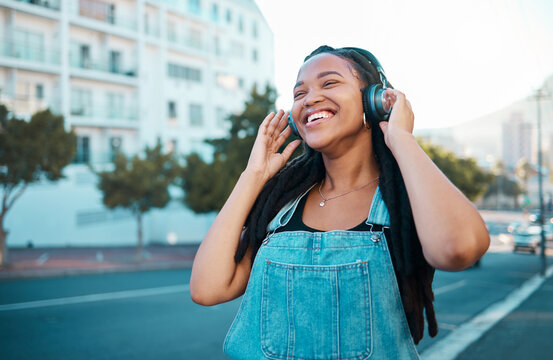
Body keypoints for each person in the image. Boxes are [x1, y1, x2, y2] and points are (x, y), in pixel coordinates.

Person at [190, 45, 490, 359]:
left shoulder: (406, 199)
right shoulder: (280, 205)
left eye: (329, 83)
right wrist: (253, 175)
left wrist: (401, 138)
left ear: (373, 101)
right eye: (299, 92)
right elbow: (207, 288)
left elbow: (458, 248)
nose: (309, 98)